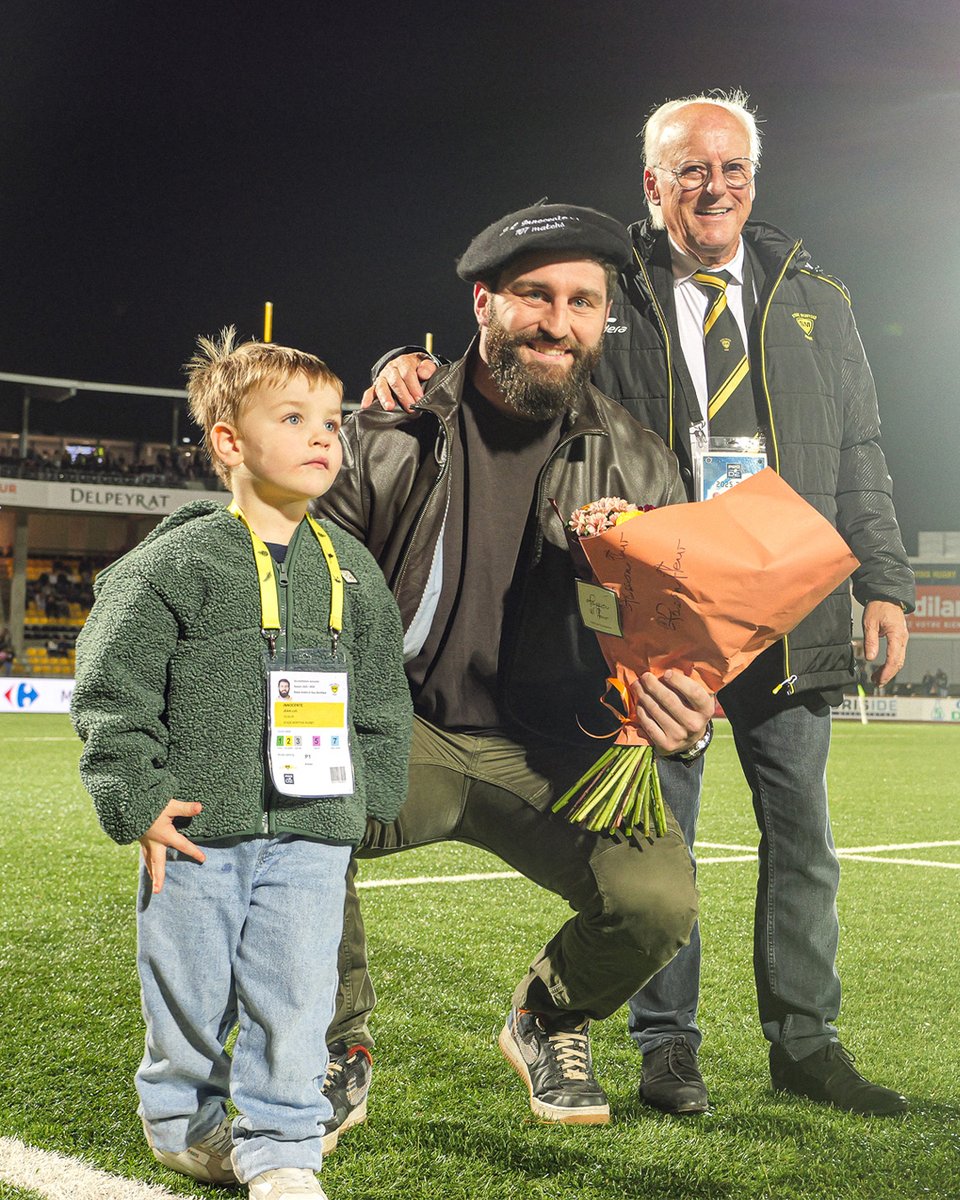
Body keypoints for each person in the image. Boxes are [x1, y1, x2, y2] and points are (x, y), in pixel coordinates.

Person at [363, 92, 915, 1118]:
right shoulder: (607, 284)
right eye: (691, 170)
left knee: (804, 839)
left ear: (755, 181)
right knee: (663, 831)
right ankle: (669, 1048)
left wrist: (882, 581)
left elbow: (862, 454)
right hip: (654, 608)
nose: (715, 188)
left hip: (786, 598)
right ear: (653, 184)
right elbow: (522, 365)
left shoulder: (814, 298)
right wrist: (407, 366)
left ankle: (807, 1042)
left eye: (733, 170)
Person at [315, 202, 713, 1134]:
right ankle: (332, 1044)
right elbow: (307, 599)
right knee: (287, 796)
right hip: (402, 732)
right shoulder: (383, 433)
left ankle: (548, 1016)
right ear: (485, 303)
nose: (558, 322)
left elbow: (677, 644)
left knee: (658, 903)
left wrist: (685, 709)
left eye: (583, 302)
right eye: (535, 295)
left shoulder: (645, 467)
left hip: (558, 755)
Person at [71, 332, 412, 1200]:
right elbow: (112, 687)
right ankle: (182, 1123)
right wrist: (136, 799)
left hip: (312, 829)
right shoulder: (171, 563)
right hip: (196, 832)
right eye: (293, 418)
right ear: (229, 441)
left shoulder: (354, 571)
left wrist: (367, 797)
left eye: (332, 422)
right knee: (187, 994)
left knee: (296, 997)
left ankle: (282, 1148)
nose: (322, 437)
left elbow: (381, 694)